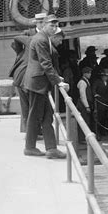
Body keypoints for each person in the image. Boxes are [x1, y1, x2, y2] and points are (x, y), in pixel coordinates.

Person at [23, 15, 69, 158]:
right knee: (35, 116)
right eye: (51, 26)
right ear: (44, 25)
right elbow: (45, 63)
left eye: (56, 26)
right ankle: (30, 147)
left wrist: (56, 77)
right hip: (37, 83)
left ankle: (51, 148)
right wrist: (58, 81)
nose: (54, 29)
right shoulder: (41, 39)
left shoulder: (44, 38)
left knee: (46, 116)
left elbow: (46, 64)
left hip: (40, 82)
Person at [9, 34, 32, 133]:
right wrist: (29, 38)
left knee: (26, 107)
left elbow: (16, 38)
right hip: (24, 81)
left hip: (20, 80)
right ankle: (30, 132)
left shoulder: (21, 53)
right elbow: (17, 37)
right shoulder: (29, 47)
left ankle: (28, 130)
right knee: (29, 107)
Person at [92, 68, 108, 138]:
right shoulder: (97, 82)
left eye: (107, 76)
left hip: (107, 102)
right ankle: (97, 132)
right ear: (102, 76)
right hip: (99, 102)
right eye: (105, 76)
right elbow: (93, 89)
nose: (106, 77)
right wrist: (95, 94)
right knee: (98, 117)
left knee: (105, 117)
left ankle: (104, 131)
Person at [76, 66, 95, 144]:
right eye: (88, 73)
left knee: (87, 121)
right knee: (84, 121)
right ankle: (82, 138)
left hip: (86, 103)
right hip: (82, 105)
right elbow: (83, 95)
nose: (90, 74)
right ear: (84, 74)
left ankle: (84, 137)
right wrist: (87, 106)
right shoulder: (82, 82)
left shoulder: (86, 81)